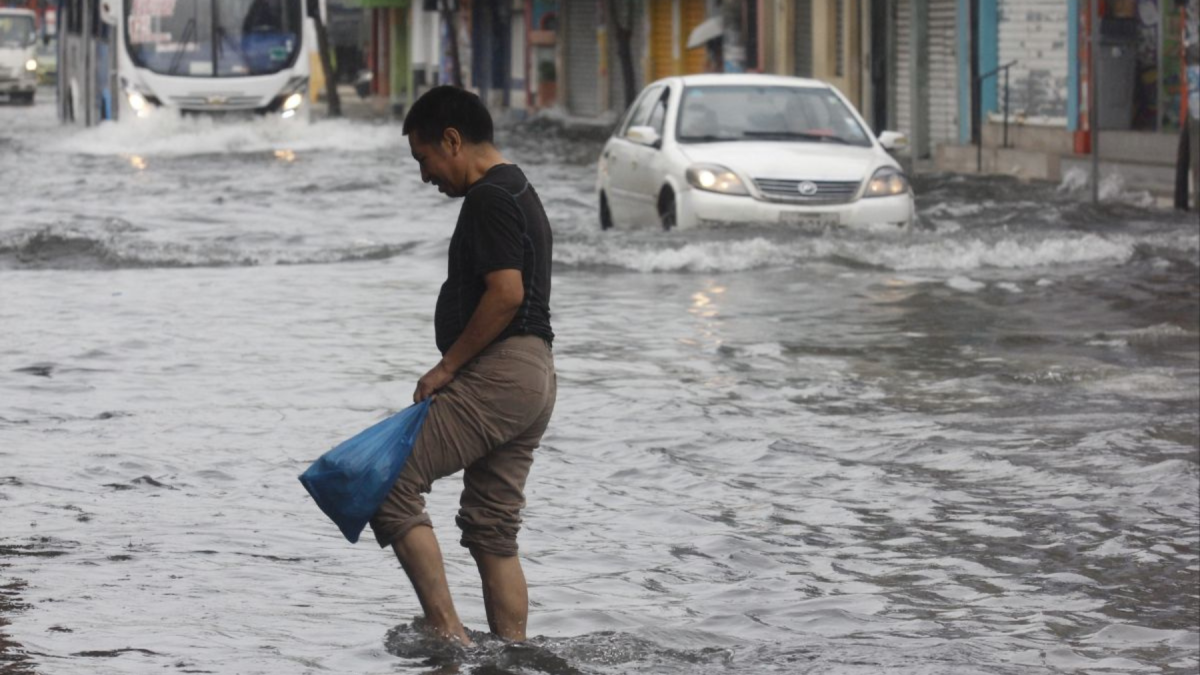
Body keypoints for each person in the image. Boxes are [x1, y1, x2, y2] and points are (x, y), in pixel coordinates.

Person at [369, 85, 556, 646]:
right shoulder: (519, 188)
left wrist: (446, 368)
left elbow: (505, 293)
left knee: (387, 483)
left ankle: (448, 633)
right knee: (492, 528)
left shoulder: (489, 198)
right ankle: (512, 652)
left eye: (424, 158)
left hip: (501, 373)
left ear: (452, 140)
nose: (425, 175)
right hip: (534, 376)